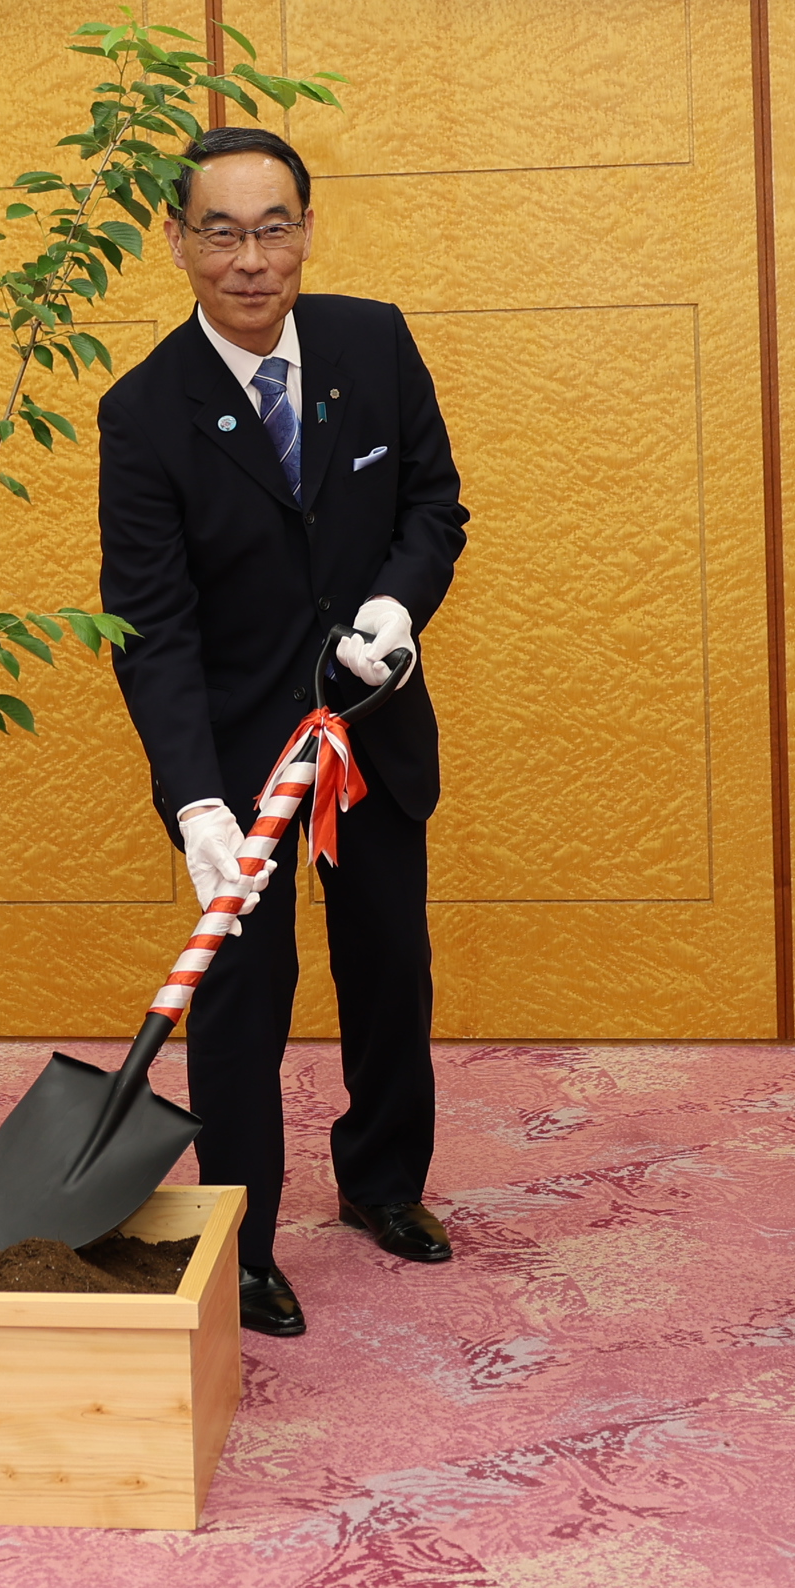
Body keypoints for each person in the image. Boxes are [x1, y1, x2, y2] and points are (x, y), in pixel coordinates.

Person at [97, 125, 467, 1339]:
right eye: (222, 232)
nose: (251, 258)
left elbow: (432, 506)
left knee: (387, 968)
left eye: (274, 228)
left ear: (306, 228)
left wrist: (394, 609)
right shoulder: (145, 411)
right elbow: (150, 625)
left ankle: (380, 1184)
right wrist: (196, 801)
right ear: (178, 242)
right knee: (244, 997)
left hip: (372, 718)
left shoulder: (375, 338)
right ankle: (240, 1237)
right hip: (241, 751)